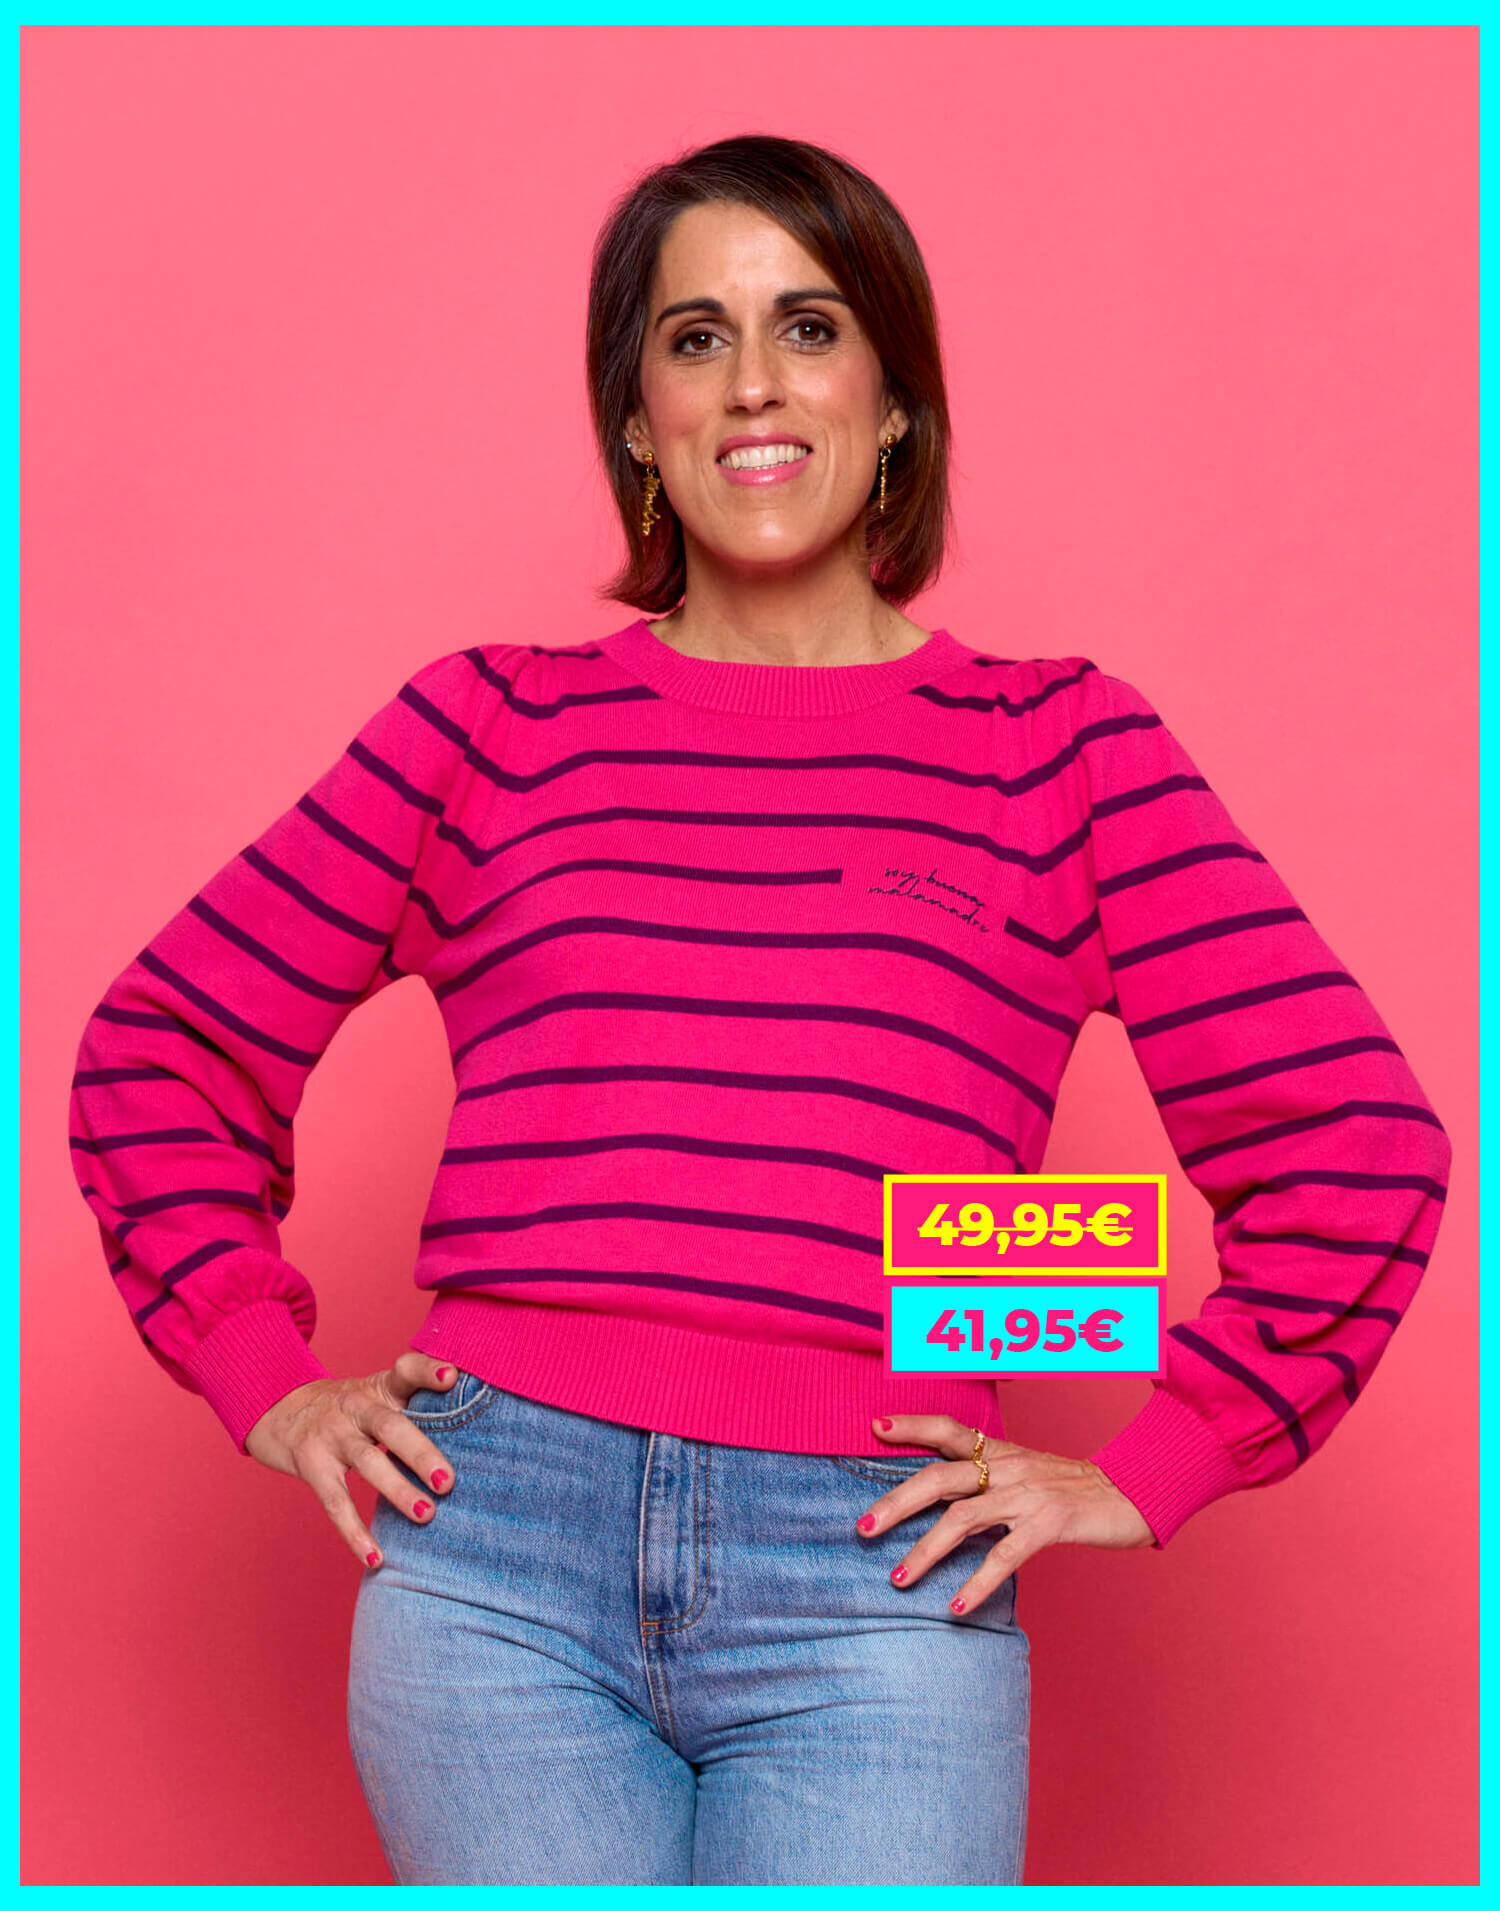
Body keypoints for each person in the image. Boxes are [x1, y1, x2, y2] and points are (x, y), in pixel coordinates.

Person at [68, 133, 1451, 1887]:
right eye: (694, 339)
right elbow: (163, 1052)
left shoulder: (1066, 752)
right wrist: (262, 1372)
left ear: (896, 402)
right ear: (639, 424)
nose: (753, 386)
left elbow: (1354, 1143)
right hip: (490, 1562)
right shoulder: (487, 727)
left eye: (809, 327)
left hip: (875, 1570)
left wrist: (1161, 1454)